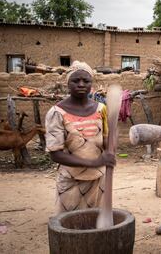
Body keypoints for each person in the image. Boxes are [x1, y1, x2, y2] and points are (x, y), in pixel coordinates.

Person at [45, 61, 115, 214]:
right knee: (71, 225)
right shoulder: (57, 112)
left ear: (92, 84)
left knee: (95, 223)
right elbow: (55, 154)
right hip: (71, 180)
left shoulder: (101, 109)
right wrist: (93, 162)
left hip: (98, 179)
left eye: (86, 81)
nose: (81, 84)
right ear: (67, 84)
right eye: (76, 81)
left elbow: (105, 141)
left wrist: (110, 147)